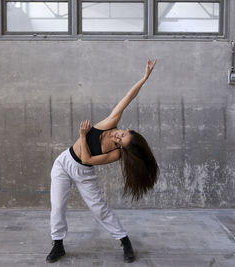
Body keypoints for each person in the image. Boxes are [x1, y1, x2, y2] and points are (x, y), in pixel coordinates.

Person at [46, 59, 159, 263]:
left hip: (83, 171)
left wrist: (82, 135)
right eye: (122, 134)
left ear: (122, 148)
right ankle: (58, 244)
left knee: (99, 209)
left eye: (120, 141)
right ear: (127, 130)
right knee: (57, 206)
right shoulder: (110, 123)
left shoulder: (114, 154)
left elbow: (86, 158)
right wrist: (144, 78)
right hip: (63, 163)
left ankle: (124, 241)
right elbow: (128, 97)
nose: (117, 136)